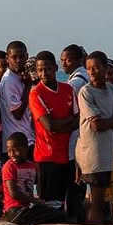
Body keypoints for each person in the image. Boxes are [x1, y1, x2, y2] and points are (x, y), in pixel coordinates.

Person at [76, 51, 113, 225]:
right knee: (96, 200)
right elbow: (97, 125)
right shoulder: (85, 92)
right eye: (89, 69)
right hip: (92, 153)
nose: (92, 72)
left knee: (102, 199)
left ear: (105, 68)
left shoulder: (111, 89)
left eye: (96, 68)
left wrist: (112, 122)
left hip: (106, 152)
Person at [28, 50, 77, 212]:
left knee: (62, 203)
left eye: (47, 69)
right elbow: (49, 126)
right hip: (46, 157)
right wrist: (65, 123)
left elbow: (78, 119)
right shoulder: (36, 93)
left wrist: (61, 125)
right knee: (47, 205)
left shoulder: (67, 90)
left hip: (66, 156)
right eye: (40, 70)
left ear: (55, 68)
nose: (44, 73)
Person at [1, 132, 63, 225]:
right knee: (58, 216)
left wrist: (41, 202)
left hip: (27, 207)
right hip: (15, 211)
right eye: (9, 151)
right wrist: (35, 201)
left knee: (56, 211)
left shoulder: (31, 166)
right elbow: (14, 194)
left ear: (26, 149)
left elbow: (36, 186)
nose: (12, 154)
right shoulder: (9, 167)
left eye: (16, 150)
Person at [0, 41, 33, 151]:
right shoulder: (9, 80)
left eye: (22, 57)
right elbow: (17, 113)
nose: (18, 61)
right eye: (14, 57)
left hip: (28, 138)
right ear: (7, 58)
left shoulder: (20, 77)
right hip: (18, 143)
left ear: (27, 57)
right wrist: (28, 87)